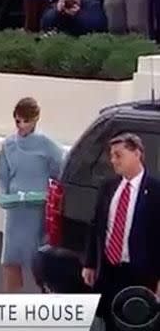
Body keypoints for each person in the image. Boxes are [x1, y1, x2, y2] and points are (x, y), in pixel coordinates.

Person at [82, 133, 160, 331]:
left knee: (133, 322)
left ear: (137, 154)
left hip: (139, 274)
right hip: (108, 270)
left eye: (119, 155)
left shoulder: (155, 192)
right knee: (106, 318)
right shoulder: (108, 187)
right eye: (112, 155)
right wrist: (90, 263)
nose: (113, 160)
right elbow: (96, 225)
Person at [0, 98, 63, 293]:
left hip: (37, 207)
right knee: (10, 258)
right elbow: (2, 174)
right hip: (15, 208)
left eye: (26, 121)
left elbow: (60, 170)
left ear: (35, 119)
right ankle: (11, 303)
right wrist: (6, 194)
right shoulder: (8, 144)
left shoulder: (47, 144)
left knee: (37, 258)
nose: (22, 126)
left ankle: (39, 299)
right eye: (18, 121)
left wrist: (49, 195)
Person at [40, 0, 107, 35]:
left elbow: (98, 25)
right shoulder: (57, 6)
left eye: (72, 0)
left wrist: (78, 15)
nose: (70, 4)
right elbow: (45, 24)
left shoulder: (93, 5)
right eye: (67, 1)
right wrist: (56, 12)